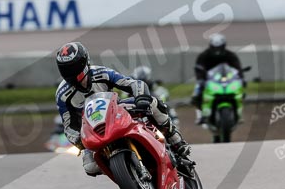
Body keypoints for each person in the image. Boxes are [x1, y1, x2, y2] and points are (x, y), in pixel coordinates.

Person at [55, 42, 192, 176]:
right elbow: (68, 126)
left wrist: (141, 98)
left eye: (72, 67)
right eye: (65, 69)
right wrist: (79, 140)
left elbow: (132, 83)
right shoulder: (62, 94)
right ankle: (123, 170)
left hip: (115, 111)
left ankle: (175, 140)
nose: (70, 73)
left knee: (153, 103)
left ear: (84, 63)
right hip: (90, 128)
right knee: (90, 167)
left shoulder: (101, 73)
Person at [190, 33, 244, 123]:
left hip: (227, 80)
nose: (217, 50)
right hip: (209, 80)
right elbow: (198, 68)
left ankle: (238, 113)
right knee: (196, 94)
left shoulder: (230, 55)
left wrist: (241, 78)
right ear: (211, 46)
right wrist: (201, 79)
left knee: (241, 90)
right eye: (215, 48)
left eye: (220, 47)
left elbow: (237, 68)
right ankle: (202, 114)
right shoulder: (204, 55)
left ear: (224, 46)